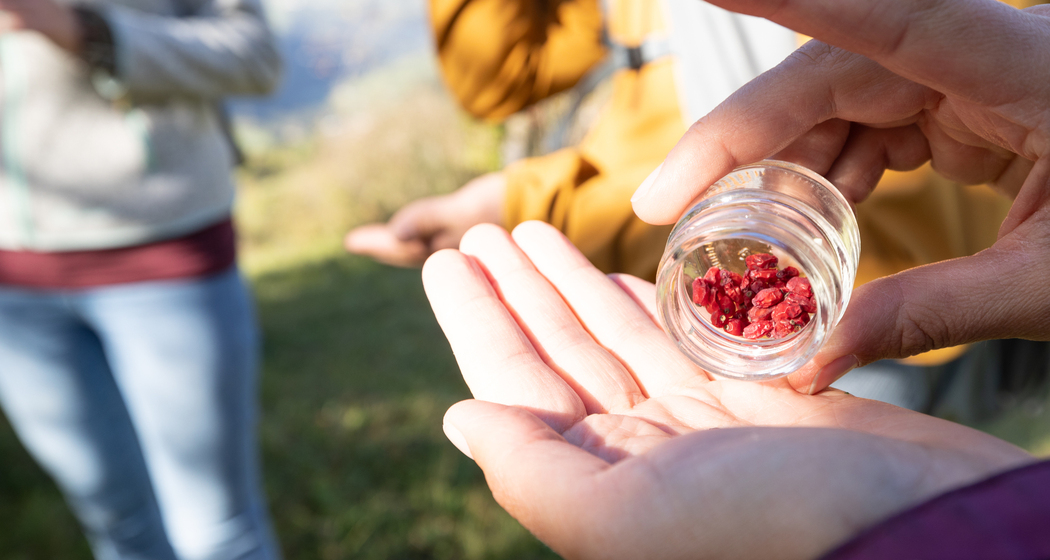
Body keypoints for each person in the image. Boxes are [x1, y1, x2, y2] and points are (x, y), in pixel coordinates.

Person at [420, 0, 1050, 556]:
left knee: (908, 421)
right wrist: (532, 195)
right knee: (846, 463)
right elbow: (516, 79)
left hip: (932, 266)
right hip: (801, 330)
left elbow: (986, 51)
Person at [347, 0, 1045, 416]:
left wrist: (539, 199)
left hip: (892, 280)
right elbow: (511, 77)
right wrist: (521, 196)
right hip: (766, 262)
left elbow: (960, 66)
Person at [0, 1, 282, 558]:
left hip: (166, 258)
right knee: (115, 519)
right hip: (14, 293)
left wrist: (87, 31)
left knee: (217, 530)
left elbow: (256, 56)